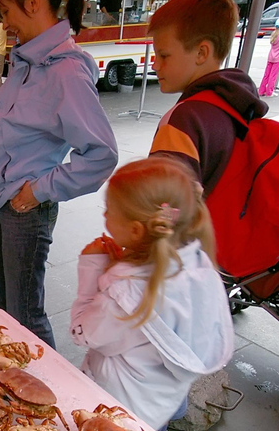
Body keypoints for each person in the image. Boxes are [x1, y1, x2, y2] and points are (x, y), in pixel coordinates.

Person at [0, 0, 119, 347]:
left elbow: (101, 154)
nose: (4, 24)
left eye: (6, 12)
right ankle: (11, 388)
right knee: (2, 308)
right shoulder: (26, 62)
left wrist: (38, 190)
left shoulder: (66, 70)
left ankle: (45, 398)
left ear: (33, 2)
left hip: (24, 210)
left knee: (26, 317)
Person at [70, 157, 233, 431]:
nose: (104, 216)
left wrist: (92, 269)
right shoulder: (198, 264)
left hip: (118, 411)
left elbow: (83, 333)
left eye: (108, 211)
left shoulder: (124, 294)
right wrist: (126, 261)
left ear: (135, 230)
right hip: (161, 401)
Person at [147, 0, 267, 197]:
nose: (155, 65)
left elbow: (164, 211)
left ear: (202, 53)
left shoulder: (183, 121)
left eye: (164, 55)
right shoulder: (239, 102)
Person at [258, 17, 279, 97]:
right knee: (273, 75)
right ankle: (269, 92)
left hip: (271, 57)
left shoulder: (274, 34)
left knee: (266, 74)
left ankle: (261, 90)